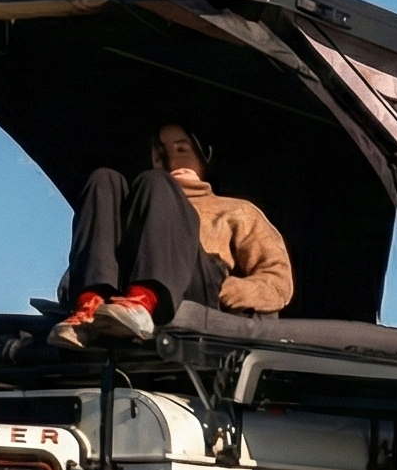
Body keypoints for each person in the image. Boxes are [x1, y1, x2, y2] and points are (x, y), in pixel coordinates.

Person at [48, 123, 295, 348]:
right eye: (161, 152)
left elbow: (278, 280)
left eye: (181, 149)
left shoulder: (237, 210)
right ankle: (89, 307)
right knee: (104, 180)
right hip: (121, 288)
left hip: (200, 290)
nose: (171, 160)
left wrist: (233, 290)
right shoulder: (137, 203)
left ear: (203, 155)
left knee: (156, 182)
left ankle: (143, 302)